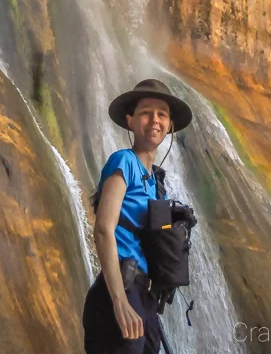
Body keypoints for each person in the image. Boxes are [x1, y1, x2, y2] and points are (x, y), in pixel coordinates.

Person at [82, 78, 193, 354]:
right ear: (130, 121)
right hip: (120, 290)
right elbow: (104, 230)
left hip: (145, 297)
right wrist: (119, 300)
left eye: (162, 115)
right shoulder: (123, 162)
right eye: (146, 112)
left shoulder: (158, 186)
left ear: (169, 127)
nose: (154, 120)